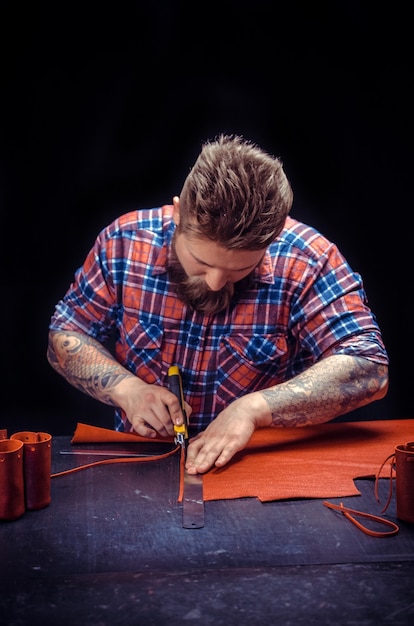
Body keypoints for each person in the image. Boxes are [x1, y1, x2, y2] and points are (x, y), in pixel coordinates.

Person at [47, 134, 389, 475]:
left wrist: (254, 409)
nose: (215, 282)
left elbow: (369, 367)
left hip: (259, 465)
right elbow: (66, 333)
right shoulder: (124, 242)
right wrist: (128, 390)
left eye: (240, 269)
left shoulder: (308, 259)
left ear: (273, 238)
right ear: (179, 213)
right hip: (141, 464)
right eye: (201, 262)